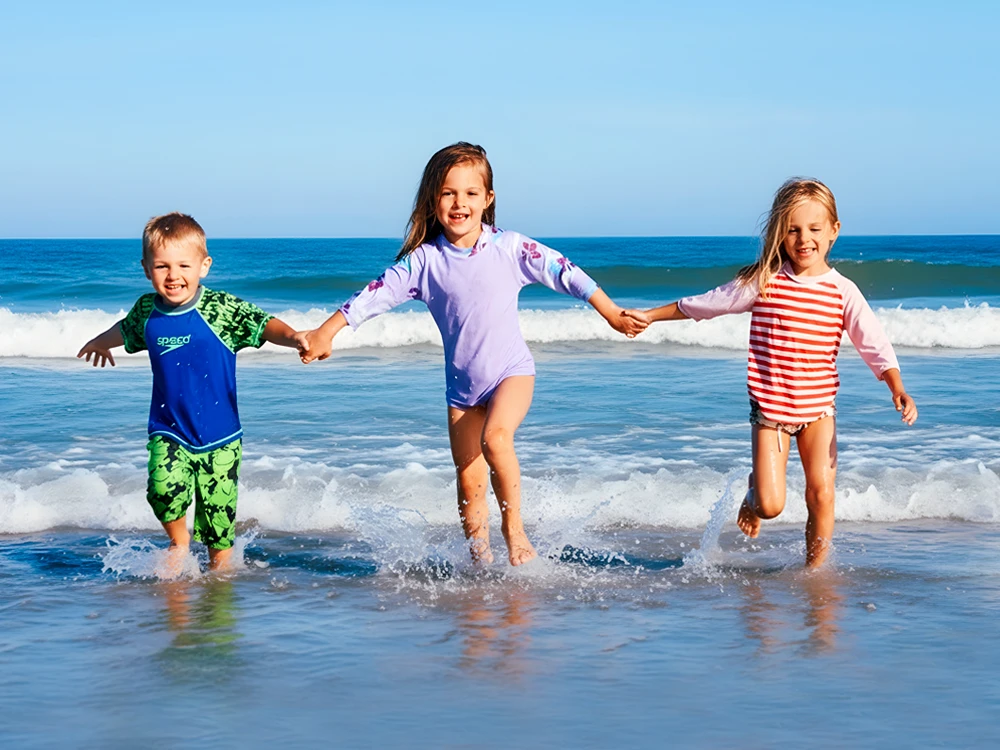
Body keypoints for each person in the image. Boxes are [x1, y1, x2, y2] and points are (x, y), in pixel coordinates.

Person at [297, 142, 646, 566]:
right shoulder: (423, 263)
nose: (459, 202)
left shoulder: (511, 249)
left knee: (496, 439)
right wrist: (326, 332)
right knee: (467, 479)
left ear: (488, 199)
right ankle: (479, 556)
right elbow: (372, 296)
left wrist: (609, 311)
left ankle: (514, 530)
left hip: (511, 373)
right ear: (433, 200)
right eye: (448, 193)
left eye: (470, 193)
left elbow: (563, 270)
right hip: (462, 390)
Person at [626, 178, 917, 567]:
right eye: (793, 229)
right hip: (772, 413)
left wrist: (895, 385)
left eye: (814, 229)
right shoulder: (763, 282)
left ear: (834, 231)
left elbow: (873, 341)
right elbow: (706, 304)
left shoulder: (842, 291)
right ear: (780, 233)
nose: (804, 239)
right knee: (771, 505)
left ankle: (815, 570)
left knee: (822, 494)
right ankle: (753, 493)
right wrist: (651, 315)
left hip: (818, 410)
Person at [77, 212, 301, 574]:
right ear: (146, 268)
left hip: (221, 436)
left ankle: (220, 576)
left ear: (204, 266)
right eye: (162, 266)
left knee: (218, 523)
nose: (173, 275)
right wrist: (100, 342)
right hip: (168, 428)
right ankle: (179, 541)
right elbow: (126, 329)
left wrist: (294, 338)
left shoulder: (219, 309)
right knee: (163, 491)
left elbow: (262, 324)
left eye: (184, 265)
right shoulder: (147, 310)